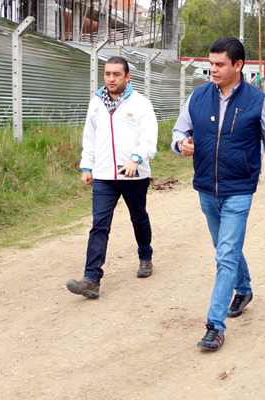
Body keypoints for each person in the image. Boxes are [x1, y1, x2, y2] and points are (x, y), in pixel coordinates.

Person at [171, 37, 265, 351]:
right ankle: (243, 289)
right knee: (225, 248)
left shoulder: (258, 102)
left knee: (225, 255)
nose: (212, 69)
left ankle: (214, 326)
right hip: (206, 187)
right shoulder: (199, 96)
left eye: (219, 64)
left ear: (238, 66)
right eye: (211, 63)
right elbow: (179, 131)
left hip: (239, 189)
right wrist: (181, 144)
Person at [66, 56, 159, 299]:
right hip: (104, 175)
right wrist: (87, 167)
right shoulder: (95, 103)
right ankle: (91, 278)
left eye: (116, 74)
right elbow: (90, 138)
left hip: (134, 174)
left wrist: (136, 158)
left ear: (127, 77)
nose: (111, 78)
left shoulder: (141, 104)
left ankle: (145, 256)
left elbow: (149, 139)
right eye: (107, 73)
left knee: (139, 218)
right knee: (99, 225)